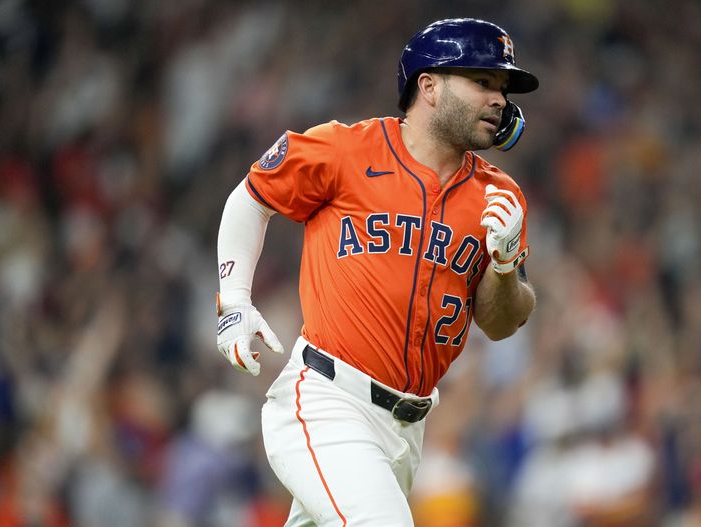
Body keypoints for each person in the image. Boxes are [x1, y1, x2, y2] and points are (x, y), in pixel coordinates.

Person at [215, 18, 539, 526]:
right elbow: (252, 197)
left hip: (407, 431)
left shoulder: (499, 197)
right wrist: (234, 300)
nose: (499, 99)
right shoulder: (348, 150)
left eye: (502, 87)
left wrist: (502, 265)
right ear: (428, 86)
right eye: (483, 82)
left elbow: (501, 323)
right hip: (327, 400)